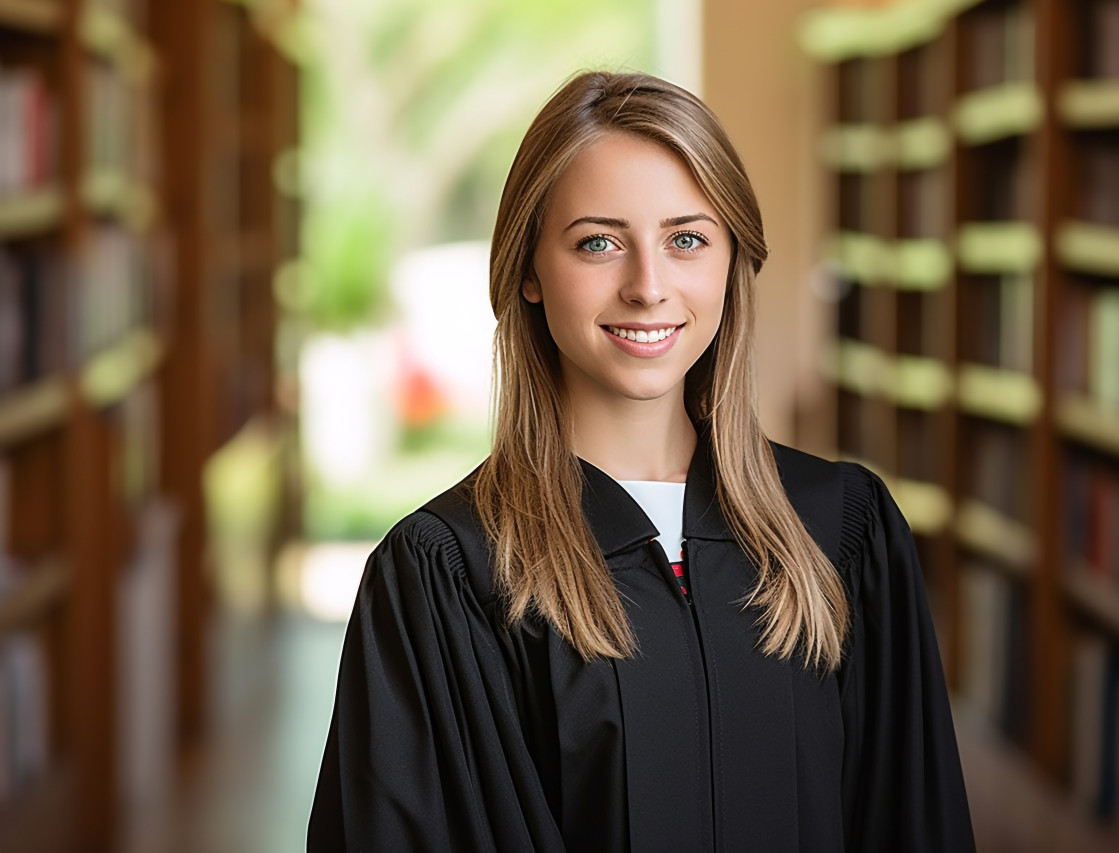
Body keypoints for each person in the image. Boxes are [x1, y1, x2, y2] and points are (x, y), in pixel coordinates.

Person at [308, 70, 975, 852]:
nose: (648, 286)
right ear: (527, 270)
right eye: (599, 242)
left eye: (686, 239)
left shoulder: (841, 531)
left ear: (732, 262)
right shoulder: (450, 575)